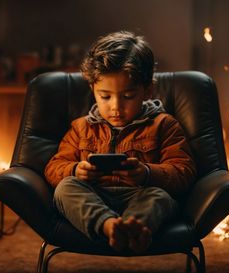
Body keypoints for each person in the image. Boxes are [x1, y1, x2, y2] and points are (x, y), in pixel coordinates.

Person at [44, 31, 196, 253]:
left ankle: (133, 228)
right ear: (93, 90)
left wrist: (146, 173)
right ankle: (110, 226)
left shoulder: (164, 124)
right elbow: (53, 169)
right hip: (95, 196)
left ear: (147, 90)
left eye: (127, 96)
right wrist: (76, 170)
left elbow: (184, 172)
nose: (115, 107)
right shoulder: (80, 127)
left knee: (160, 196)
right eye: (105, 96)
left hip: (140, 194)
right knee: (66, 188)